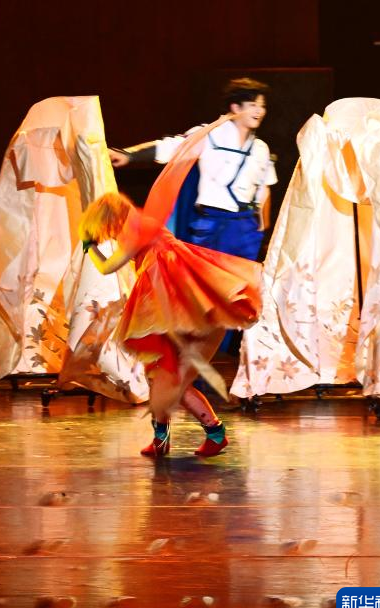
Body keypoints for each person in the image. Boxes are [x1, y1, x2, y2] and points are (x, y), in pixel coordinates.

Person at [80, 118, 262, 457]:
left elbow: (108, 267)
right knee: (165, 376)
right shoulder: (145, 225)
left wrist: (90, 247)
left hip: (168, 304)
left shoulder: (135, 231)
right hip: (179, 301)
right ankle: (178, 436)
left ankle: (209, 432)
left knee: (169, 377)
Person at [110, 78, 277, 262]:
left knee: (244, 278)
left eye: (262, 106)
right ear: (235, 108)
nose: (259, 111)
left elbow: (264, 188)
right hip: (212, 225)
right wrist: (129, 155)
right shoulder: (209, 135)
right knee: (209, 278)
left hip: (245, 229)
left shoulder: (260, 148)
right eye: (253, 105)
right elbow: (170, 147)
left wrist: (262, 227)